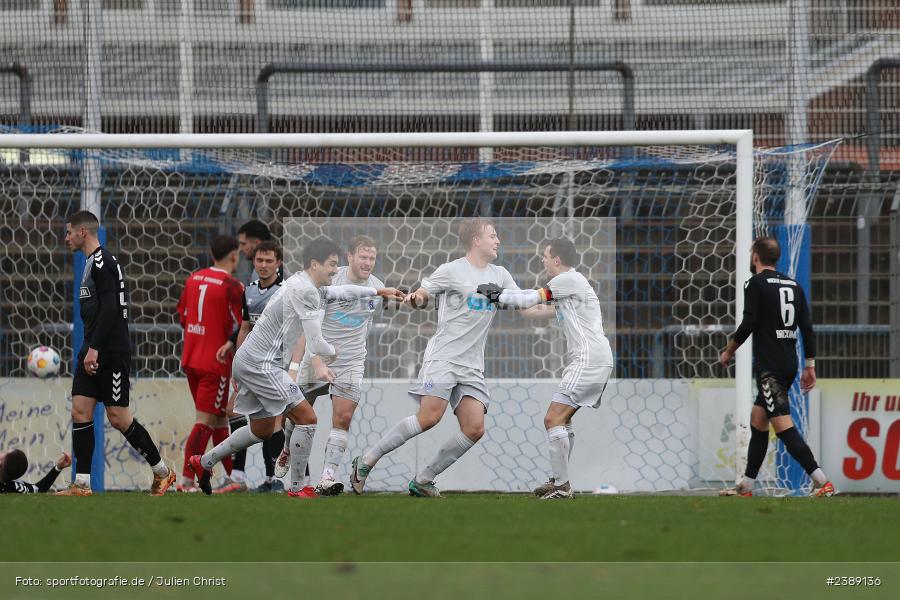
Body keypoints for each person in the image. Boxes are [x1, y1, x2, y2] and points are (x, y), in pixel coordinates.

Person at [189, 237, 403, 498]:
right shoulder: (305, 292)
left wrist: (379, 291)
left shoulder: (307, 283)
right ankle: (299, 488)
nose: (336, 271)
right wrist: (336, 353)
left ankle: (204, 462)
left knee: (262, 429)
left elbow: (342, 292)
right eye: (332, 265)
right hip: (261, 364)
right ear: (315, 264)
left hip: (252, 361)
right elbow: (317, 342)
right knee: (307, 418)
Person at [350, 219, 519, 497]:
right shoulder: (452, 270)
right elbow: (424, 293)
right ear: (476, 240)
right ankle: (366, 461)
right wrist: (416, 298)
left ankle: (424, 479)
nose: (498, 240)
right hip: (444, 358)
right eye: (493, 235)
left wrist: (547, 300)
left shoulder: (500, 274)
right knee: (429, 418)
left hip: (472, 365)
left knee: (474, 429)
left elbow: (517, 300)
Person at [58, 210, 175, 496]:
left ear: (82, 232)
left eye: (69, 231)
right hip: (93, 346)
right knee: (80, 410)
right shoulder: (90, 263)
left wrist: (95, 349)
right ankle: (82, 484)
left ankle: (162, 472)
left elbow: (111, 309)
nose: (66, 237)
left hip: (110, 350)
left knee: (118, 418)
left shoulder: (103, 262)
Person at [486, 239, 614, 499]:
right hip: (594, 359)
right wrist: (504, 296)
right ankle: (559, 480)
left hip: (588, 360)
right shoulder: (569, 290)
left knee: (552, 418)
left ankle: (562, 486)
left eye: (545, 256)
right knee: (563, 419)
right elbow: (530, 311)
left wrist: (499, 295)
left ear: (557, 259)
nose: (542, 260)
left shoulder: (568, 280)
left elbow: (533, 297)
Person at [719, 237, 834, 497]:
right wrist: (810, 366)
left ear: (756, 256)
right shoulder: (794, 285)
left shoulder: (756, 284)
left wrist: (728, 351)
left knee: (783, 426)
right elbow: (807, 328)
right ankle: (746, 486)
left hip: (770, 367)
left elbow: (748, 323)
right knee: (759, 420)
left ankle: (822, 481)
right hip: (789, 362)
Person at [275, 235, 387, 496]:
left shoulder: (377, 288)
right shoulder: (331, 280)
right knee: (299, 416)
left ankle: (327, 478)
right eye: (363, 256)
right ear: (349, 257)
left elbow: (365, 326)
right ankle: (288, 449)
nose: (368, 262)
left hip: (350, 362)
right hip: (317, 357)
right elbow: (309, 326)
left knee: (343, 418)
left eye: (372, 258)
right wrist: (303, 364)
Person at [217, 240, 287, 493]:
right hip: (252, 364)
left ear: (278, 263)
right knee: (233, 411)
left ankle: (276, 479)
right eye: (260, 261)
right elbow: (245, 328)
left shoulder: (286, 291)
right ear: (254, 262)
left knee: (275, 420)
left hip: (276, 364)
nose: (264, 265)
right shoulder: (249, 291)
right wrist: (238, 362)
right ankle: (239, 475)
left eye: (269, 261)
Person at [176, 235, 244, 493]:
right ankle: (186, 480)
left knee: (217, 419)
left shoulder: (193, 278)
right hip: (215, 361)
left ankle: (230, 477)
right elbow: (244, 325)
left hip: (191, 356)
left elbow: (183, 317)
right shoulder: (231, 285)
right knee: (204, 420)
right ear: (234, 255)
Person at [0, 450, 70, 494]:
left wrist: (58, 468)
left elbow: (38, 490)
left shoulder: (12, 487)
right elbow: (38, 489)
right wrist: (58, 468)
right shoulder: (14, 487)